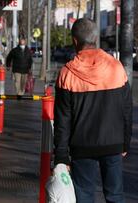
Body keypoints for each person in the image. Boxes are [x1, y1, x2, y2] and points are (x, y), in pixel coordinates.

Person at [54, 18, 132, 202]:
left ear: (74, 41)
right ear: (96, 38)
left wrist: (61, 155)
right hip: (113, 143)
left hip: (82, 147)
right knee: (115, 196)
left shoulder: (67, 73)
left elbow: (62, 120)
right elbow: (126, 110)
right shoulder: (116, 67)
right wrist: (125, 143)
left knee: (84, 196)